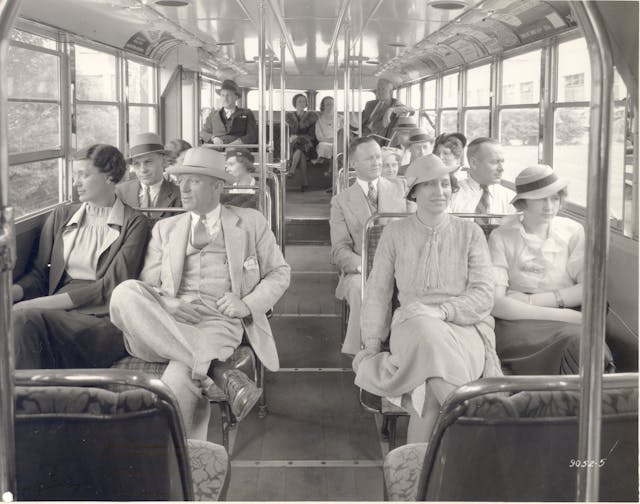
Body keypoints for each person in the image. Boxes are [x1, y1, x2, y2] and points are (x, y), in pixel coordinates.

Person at [110, 147, 291, 440]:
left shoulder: (250, 222)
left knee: (180, 379)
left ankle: (182, 469)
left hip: (218, 322)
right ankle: (218, 369)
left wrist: (246, 304)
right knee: (125, 292)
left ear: (216, 186)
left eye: (192, 181)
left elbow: (280, 272)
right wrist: (167, 303)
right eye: (181, 180)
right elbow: (148, 282)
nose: (182, 188)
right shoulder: (166, 229)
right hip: (161, 324)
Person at [352, 154, 501, 443]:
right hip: (411, 326)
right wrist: (371, 343)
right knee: (423, 327)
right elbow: (377, 293)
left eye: (445, 184)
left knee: (428, 398)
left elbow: (483, 295)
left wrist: (443, 311)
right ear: (414, 193)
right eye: (429, 185)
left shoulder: (470, 233)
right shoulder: (394, 233)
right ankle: (471, 419)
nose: (440, 191)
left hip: (464, 328)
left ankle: (417, 476)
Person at [12, 144, 151, 370]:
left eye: (84, 175)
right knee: (18, 321)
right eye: (75, 174)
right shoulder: (62, 215)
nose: (76, 182)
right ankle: (29, 400)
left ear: (110, 177)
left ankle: (24, 400)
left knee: (22, 320)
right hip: (54, 310)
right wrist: (11, 294)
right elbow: (40, 274)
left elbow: (109, 288)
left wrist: (29, 305)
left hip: (101, 318)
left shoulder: (134, 223)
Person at [488, 165, 614, 374]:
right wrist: (569, 317)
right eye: (540, 198)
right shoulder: (502, 236)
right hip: (518, 320)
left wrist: (531, 300)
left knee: (582, 346)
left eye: (555, 198)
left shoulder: (572, 231)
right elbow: (497, 304)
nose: (549, 206)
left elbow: (590, 289)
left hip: (562, 311)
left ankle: (572, 403)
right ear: (523, 202)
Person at [330, 136, 415, 356]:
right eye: (369, 159)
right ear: (353, 164)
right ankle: (368, 350)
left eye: (378, 156)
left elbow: (416, 230)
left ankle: (401, 348)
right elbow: (339, 250)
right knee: (361, 288)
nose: (377, 162)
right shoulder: (341, 201)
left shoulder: (402, 188)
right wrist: (365, 267)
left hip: (403, 264)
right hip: (362, 269)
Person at [116, 132, 181, 219]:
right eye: (136, 164)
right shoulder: (120, 192)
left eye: (148, 162)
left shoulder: (179, 195)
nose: (143, 170)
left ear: (164, 161)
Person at [449, 137, 516, 217]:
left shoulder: (510, 199)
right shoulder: (451, 195)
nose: (501, 169)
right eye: (494, 162)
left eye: (502, 162)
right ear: (473, 163)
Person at [200, 79, 258, 146]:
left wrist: (238, 143)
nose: (225, 98)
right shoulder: (213, 115)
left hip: (239, 150)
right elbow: (203, 133)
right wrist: (213, 138)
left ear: (236, 97)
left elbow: (252, 136)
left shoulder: (246, 114)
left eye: (228, 95)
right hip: (216, 151)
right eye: (223, 95)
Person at [286, 93, 318, 191]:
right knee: (301, 153)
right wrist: (293, 138)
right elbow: (287, 133)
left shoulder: (311, 117)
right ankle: (305, 182)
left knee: (301, 148)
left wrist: (298, 137)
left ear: (306, 104)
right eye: (299, 101)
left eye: (304, 101)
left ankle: (292, 169)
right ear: (295, 103)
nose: (302, 103)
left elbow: (311, 135)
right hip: (292, 144)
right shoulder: (288, 117)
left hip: (308, 143)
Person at [315, 96, 343, 161]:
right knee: (322, 146)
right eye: (328, 104)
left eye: (332, 104)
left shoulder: (341, 119)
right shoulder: (319, 121)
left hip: (340, 143)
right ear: (323, 106)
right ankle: (325, 165)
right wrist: (331, 140)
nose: (331, 106)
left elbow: (344, 133)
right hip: (325, 143)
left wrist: (338, 141)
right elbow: (319, 137)